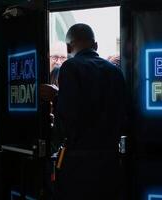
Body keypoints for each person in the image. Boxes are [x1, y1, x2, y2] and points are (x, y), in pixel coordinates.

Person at [44, 23, 127, 200]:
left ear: (68, 47)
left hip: (79, 164)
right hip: (110, 162)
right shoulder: (115, 72)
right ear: (95, 46)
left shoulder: (70, 67)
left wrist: (56, 98)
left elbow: (68, 117)